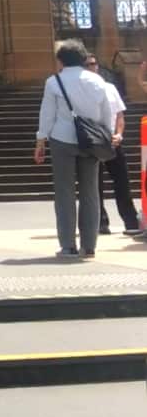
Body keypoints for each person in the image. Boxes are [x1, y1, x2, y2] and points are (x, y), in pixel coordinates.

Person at [34, 40, 114, 259]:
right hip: (91, 140)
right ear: (82, 59)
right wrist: (108, 133)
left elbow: (47, 113)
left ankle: (68, 245)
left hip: (62, 138)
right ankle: (89, 246)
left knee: (64, 192)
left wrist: (41, 140)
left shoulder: (54, 82)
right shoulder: (97, 80)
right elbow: (106, 111)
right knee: (90, 193)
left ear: (60, 60)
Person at [85, 56, 142, 235]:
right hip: (92, 141)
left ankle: (130, 221)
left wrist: (119, 134)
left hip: (112, 140)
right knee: (95, 183)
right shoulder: (81, 90)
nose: (90, 67)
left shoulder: (110, 88)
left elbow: (119, 115)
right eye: (86, 65)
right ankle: (101, 222)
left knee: (122, 181)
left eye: (93, 64)